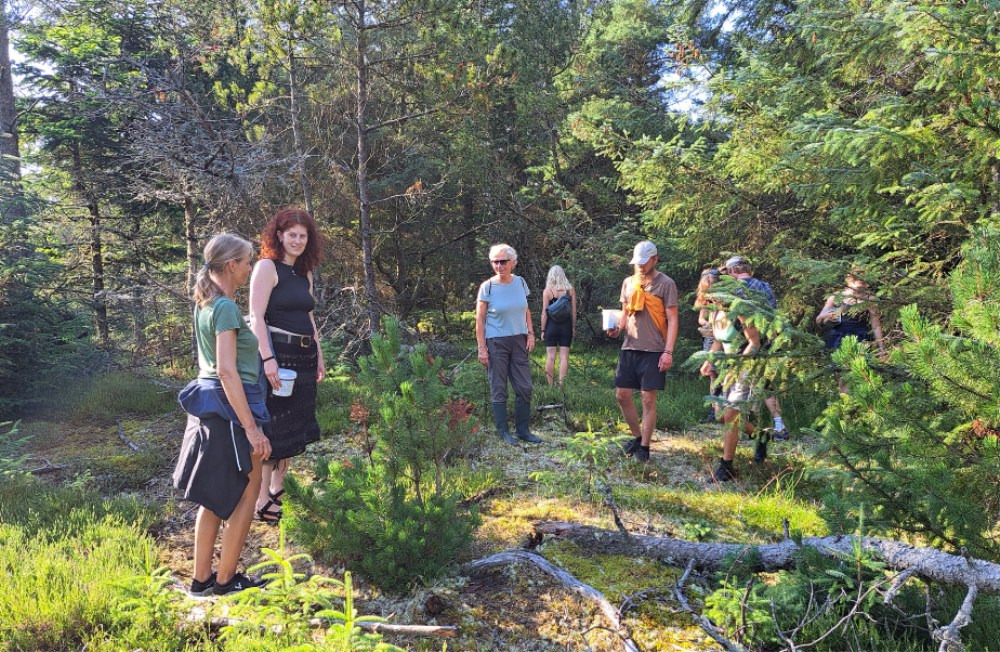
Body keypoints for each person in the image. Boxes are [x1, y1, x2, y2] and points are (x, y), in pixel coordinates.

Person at [173, 233, 273, 596]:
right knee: (249, 490)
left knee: (212, 497)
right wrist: (252, 429)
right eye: (247, 261)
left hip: (211, 404)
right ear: (231, 265)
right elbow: (227, 371)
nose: (250, 268)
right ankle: (226, 579)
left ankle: (201, 580)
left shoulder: (206, 302)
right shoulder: (226, 308)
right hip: (232, 406)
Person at [249, 207, 325, 524]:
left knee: (294, 425)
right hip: (279, 356)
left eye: (302, 236)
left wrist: (319, 354)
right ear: (279, 235)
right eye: (291, 234)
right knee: (275, 425)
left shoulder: (303, 273)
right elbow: (256, 317)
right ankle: (263, 498)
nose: (297, 240)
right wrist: (267, 358)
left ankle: (280, 490)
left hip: (304, 357)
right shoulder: (267, 268)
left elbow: (309, 317)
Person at [606, 241, 679, 463]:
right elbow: (625, 312)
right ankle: (637, 437)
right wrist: (617, 328)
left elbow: (673, 319)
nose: (640, 266)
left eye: (644, 262)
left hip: (655, 349)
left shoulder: (666, 284)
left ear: (655, 259)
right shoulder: (629, 282)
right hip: (630, 346)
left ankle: (645, 447)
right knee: (622, 395)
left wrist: (668, 351)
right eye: (637, 262)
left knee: (648, 399)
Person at [699, 271, 764, 482]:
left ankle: (726, 467)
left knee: (729, 415)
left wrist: (736, 368)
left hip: (746, 364)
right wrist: (709, 360)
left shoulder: (740, 310)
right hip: (728, 365)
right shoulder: (714, 312)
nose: (710, 299)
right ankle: (761, 435)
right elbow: (719, 339)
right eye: (707, 295)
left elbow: (754, 343)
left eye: (713, 294)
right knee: (725, 415)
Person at [476, 243, 541, 444]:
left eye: (503, 261)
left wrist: (530, 334)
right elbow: (479, 319)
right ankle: (503, 432)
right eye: (495, 262)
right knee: (499, 386)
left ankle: (523, 431)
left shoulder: (520, 282)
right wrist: (482, 348)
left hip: (519, 340)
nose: (499, 266)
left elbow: (526, 310)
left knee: (524, 387)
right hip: (496, 342)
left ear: (512, 262)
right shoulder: (487, 287)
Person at [722, 255, 788, 439]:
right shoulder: (765, 286)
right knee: (766, 385)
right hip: (769, 340)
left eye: (728, 272)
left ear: (733, 270)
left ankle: (747, 428)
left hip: (747, 342)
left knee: (739, 385)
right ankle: (779, 426)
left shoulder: (735, 289)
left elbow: (738, 318)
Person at [817, 270, 885, 391]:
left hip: (861, 339)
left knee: (860, 372)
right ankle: (846, 404)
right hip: (838, 339)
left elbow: (876, 325)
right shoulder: (837, 297)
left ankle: (862, 403)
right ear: (850, 279)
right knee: (843, 375)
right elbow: (819, 319)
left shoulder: (870, 298)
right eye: (858, 281)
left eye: (863, 282)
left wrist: (881, 347)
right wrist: (830, 315)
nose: (861, 285)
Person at [540, 265, 576, 386]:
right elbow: (573, 312)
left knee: (550, 357)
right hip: (566, 327)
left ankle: (550, 386)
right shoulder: (570, 290)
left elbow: (544, 313)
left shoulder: (547, 291)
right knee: (564, 357)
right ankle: (561, 385)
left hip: (551, 327)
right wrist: (573, 327)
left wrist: (543, 330)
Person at [695, 268, 724, 422]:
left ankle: (727, 410)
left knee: (725, 374)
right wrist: (707, 323)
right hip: (710, 337)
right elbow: (701, 318)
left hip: (724, 339)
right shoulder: (706, 299)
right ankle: (714, 412)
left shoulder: (726, 299)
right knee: (712, 373)